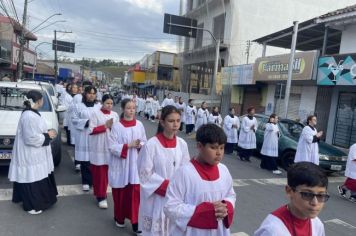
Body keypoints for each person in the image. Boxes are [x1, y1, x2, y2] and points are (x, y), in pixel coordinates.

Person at [164, 124, 236, 235]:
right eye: (213, 147)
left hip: (218, 230)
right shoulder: (184, 173)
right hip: (193, 231)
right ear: (199, 146)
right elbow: (170, 207)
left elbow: (230, 195)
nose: (219, 153)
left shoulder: (224, 170)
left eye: (221, 147)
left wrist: (226, 206)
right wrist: (205, 211)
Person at [138, 105, 190, 235]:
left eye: (178, 121)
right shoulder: (152, 145)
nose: (175, 124)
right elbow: (145, 174)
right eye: (171, 121)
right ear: (162, 122)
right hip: (157, 197)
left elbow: (186, 170)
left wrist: (179, 188)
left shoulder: (182, 144)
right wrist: (169, 187)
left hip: (176, 198)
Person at [8, 90, 58, 214]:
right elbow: (30, 138)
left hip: (34, 152)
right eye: (42, 99)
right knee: (31, 177)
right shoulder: (29, 116)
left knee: (32, 176)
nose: (43, 101)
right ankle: (31, 205)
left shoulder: (31, 113)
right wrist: (48, 135)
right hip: (30, 153)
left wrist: (46, 134)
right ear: (38, 101)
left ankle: (26, 199)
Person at [254, 162, 329, 236]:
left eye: (321, 195)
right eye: (307, 194)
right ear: (289, 191)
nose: (315, 202)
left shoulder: (317, 224)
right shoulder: (273, 230)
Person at [108, 98, 147, 235]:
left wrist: (139, 145)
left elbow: (144, 142)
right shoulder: (117, 126)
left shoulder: (140, 125)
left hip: (135, 165)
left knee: (135, 194)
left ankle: (136, 222)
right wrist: (127, 146)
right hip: (121, 164)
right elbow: (112, 146)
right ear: (123, 109)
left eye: (133, 108)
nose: (131, 110)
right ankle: (119, 217)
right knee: (120, 193)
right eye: (128, 108)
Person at [89, 94, 119, 209]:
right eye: (107, 103)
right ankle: (101, 196)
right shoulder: (95, 114)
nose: (109, 106)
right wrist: (105, 126)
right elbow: (91, 130)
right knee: (99, 173)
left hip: (110, 146)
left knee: (108, 172)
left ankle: (101, 191)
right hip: (99, 146)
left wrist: (112, 128)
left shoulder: (115, 115)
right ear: (102, 103)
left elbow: (118, 131)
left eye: (111, 103)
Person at [72, 85, 101, 191]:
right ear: (85, 94)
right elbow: (74, 120)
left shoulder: (98, 106)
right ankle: (85, 181)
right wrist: (86, 122)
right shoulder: (78, 106)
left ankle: (93, 180)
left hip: (95, 135)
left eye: (94, 93)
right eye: (89, 93)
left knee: (94, 159)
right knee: (85, 160)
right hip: (83, 135)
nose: (92, 95)